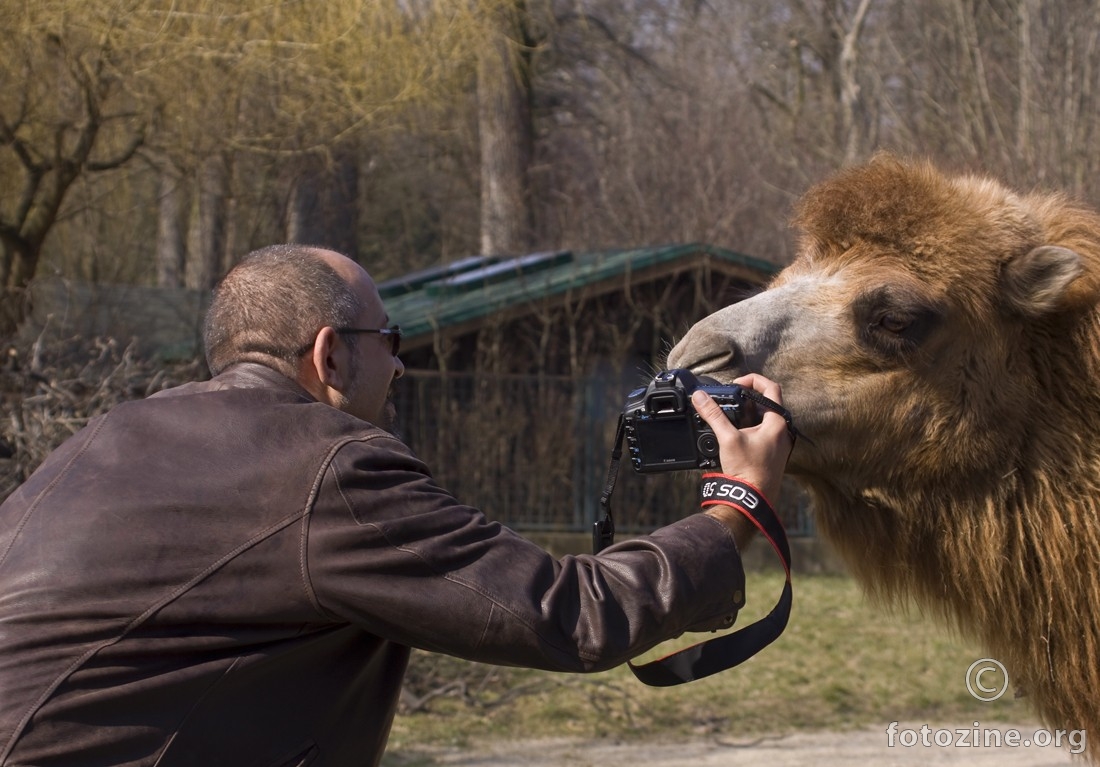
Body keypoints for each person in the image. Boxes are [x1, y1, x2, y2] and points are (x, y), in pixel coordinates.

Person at [0, 244, 792, 766]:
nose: (403, 365)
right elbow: (572, 614)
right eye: (392, 337)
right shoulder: (324, 462)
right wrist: (737, 502)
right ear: (331, 352)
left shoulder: (100, 439)